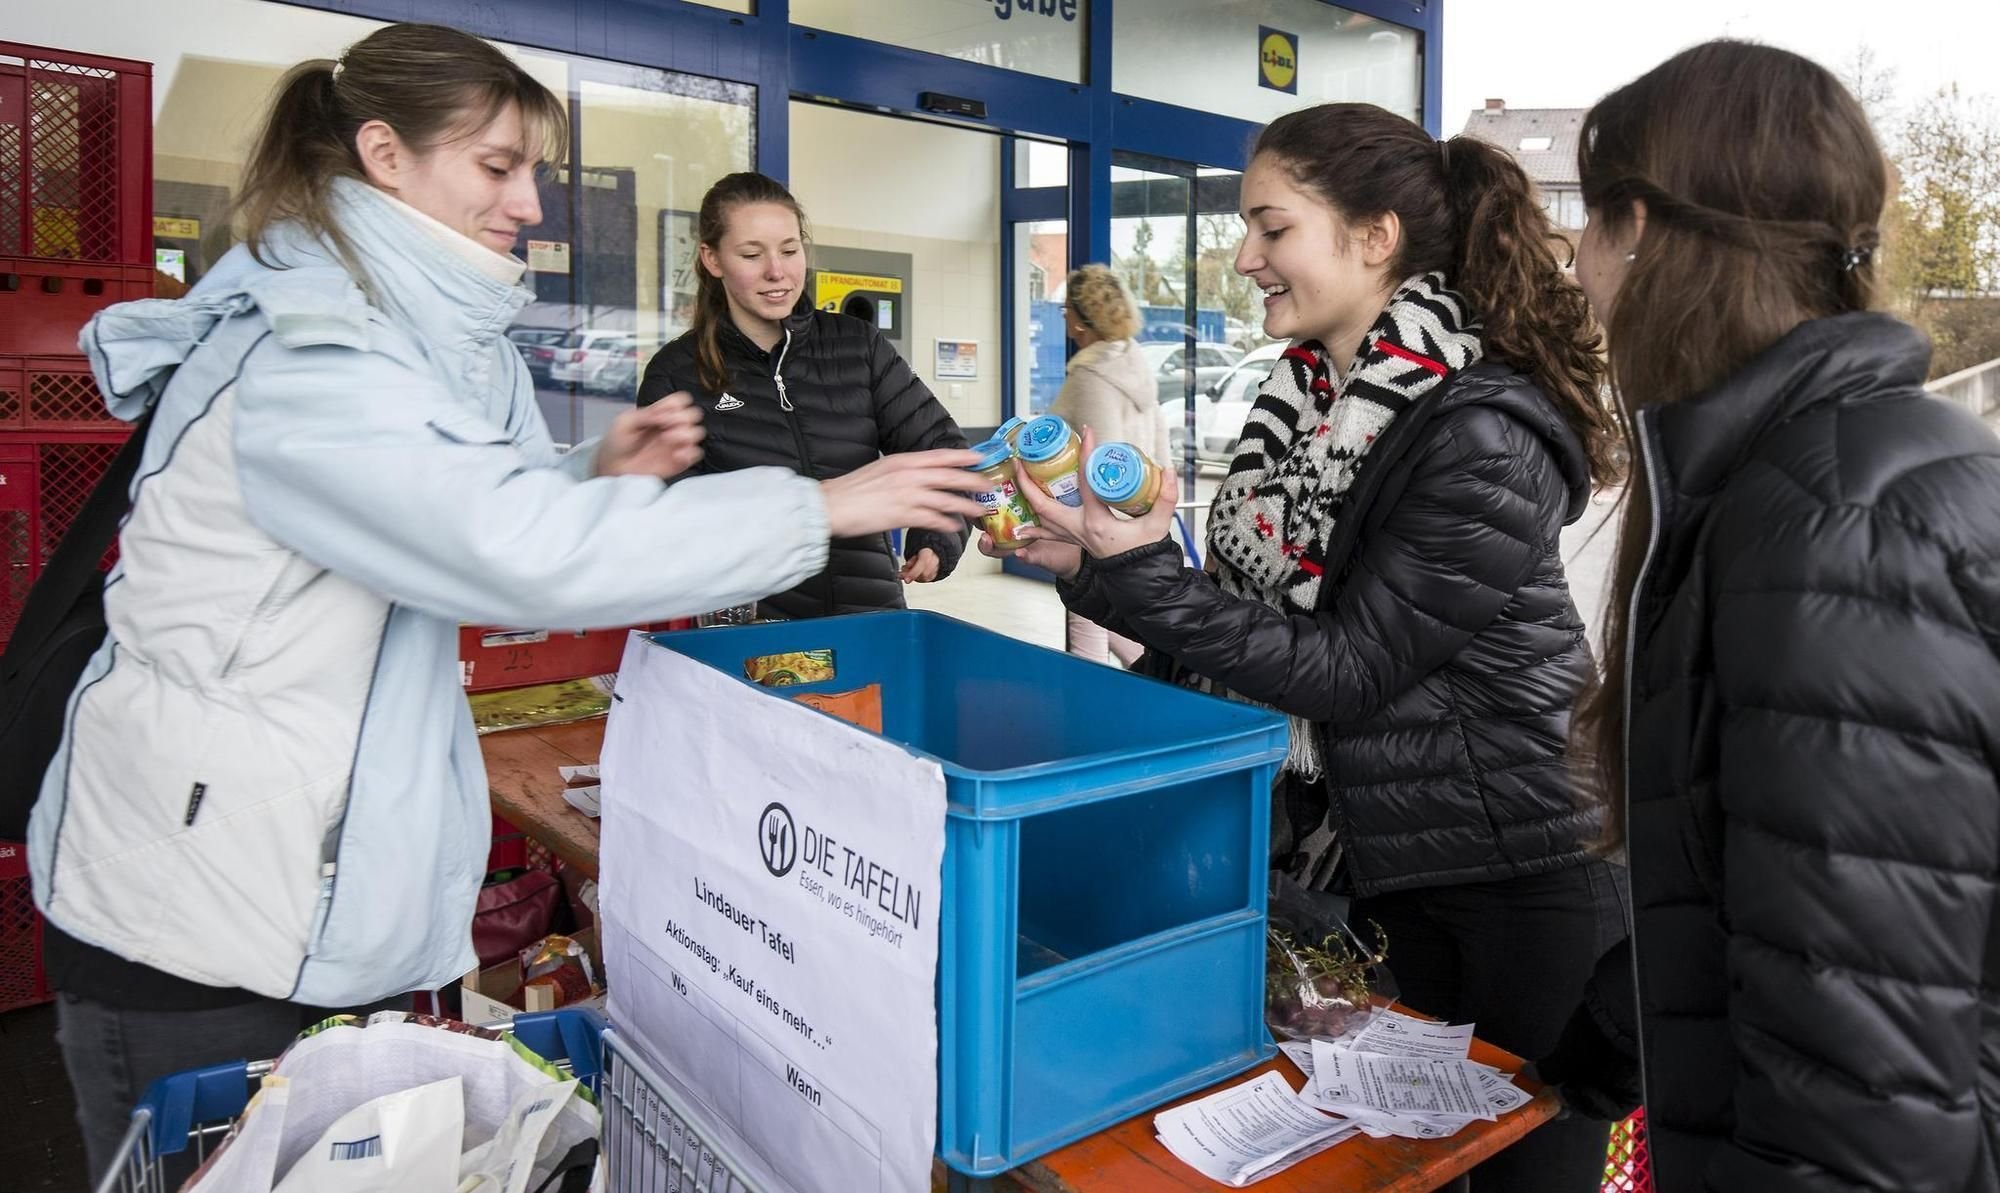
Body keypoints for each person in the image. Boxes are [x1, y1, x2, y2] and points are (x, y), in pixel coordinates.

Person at [26, 24, 984, 1183]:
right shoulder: (315, 355)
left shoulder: (392, 326)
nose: (531, 202)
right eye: (497, 166)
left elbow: (450, 502)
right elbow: (502, 549)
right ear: (384, 153)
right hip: (203, 918)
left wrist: (586, 474)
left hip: (287, 881)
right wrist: (816, 506)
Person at [989, 102, 1629, 1192]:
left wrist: (1137, 574)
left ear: (1373, 236)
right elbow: (1251, 636)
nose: (1243, 257)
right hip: (1385, 872)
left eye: (1270, 227)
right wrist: (1096, 568)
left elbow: (1344, 667)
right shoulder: (1303, 413)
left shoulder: (1478, 428)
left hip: (1524, 883)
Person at [1529, 41, 2000, 1191]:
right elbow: (1812, 891)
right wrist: (1627, 1017)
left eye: (1585, 228)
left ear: (1639, 229)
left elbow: (1863, 1095)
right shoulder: (1814, 477)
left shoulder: (1831, 521)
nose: (1577, 272)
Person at [637, 172, 971, 619]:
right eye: (751, 254)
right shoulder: (676, 373)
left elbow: (943, 449)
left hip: (869, 616)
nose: (777, 271)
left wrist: (938, 535)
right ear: (712, 259)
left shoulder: (857, 346)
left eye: (790, 250)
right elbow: (668, 518)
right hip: (751, 630)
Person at [1047, 263, 1169, 666]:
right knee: (1122, 624)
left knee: (1087, 633)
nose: (1062, 314)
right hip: (1139, 517)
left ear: (1083, 319)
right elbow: (1159, 447)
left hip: (1097, 526)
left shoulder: (1091, 377)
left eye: (1067, 307)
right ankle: (1161, 685)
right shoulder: (1133, 366)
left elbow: (1102, 460)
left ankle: (1089, 719)